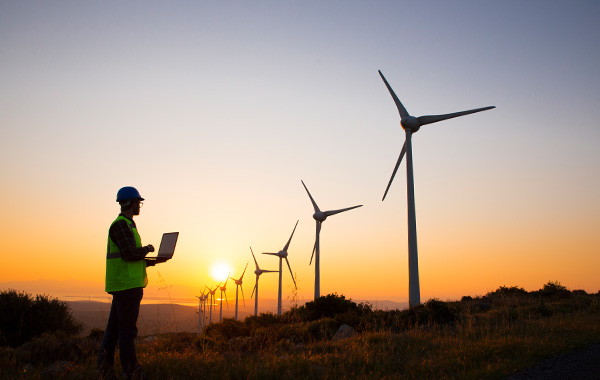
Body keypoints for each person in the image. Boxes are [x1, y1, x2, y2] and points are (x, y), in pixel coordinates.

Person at [98, 186, 158, 380]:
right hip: (126, 287)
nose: (139, 206)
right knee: (127, 333)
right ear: (132, 203)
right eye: (138, 203)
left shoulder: (127, 225)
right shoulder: (121, 225)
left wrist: (150, 261)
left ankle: (104, 371)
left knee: (113, 332)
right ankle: (132, 372)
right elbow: (130, 254)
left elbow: (129, 257)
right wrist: (148, 248)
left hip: (124, 286)